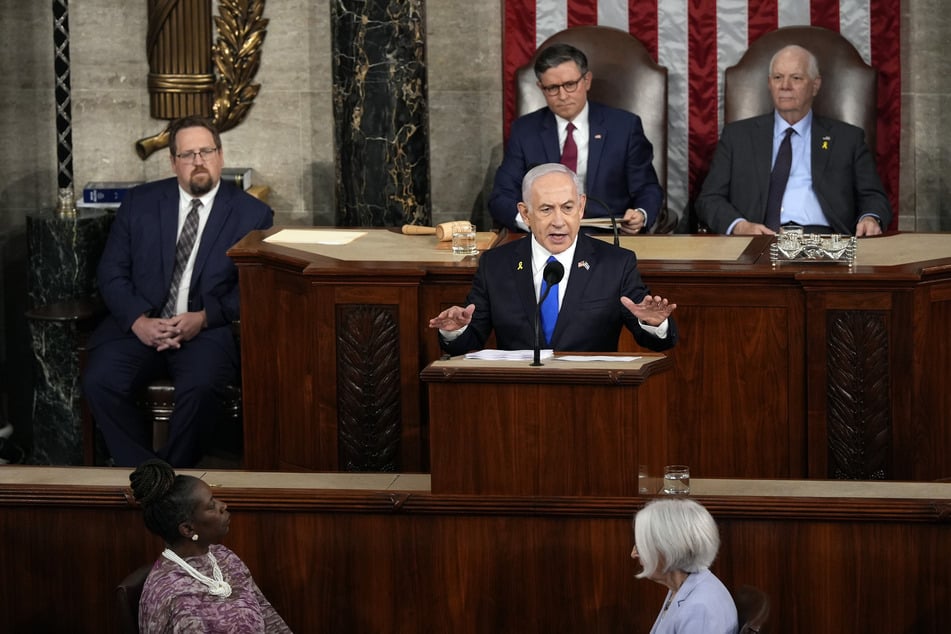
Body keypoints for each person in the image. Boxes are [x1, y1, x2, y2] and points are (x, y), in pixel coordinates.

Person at [82, 116, 273, 467]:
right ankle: (147, 474)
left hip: (204, 331)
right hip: (141, 326)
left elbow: (254, 289)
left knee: (202, 388)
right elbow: (111, 272)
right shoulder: (140, 202)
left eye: (206, 151)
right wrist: (139, 320)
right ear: (173, 162)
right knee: (100, 381)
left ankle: (172, 473)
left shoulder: (252, 215)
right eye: (188, 155)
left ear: (220, 155)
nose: (199, 161)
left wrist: (203, 318)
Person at [430, 163, 677, 356]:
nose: (559, 221)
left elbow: (654, 341)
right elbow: (470, 338)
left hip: (592, 399)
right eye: (546, 209)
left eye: (568, 208)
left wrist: (654, 325)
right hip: (517, 400)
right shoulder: (496, 265)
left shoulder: (615, 264)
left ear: (581, 207)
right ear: (525, 214)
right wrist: (455, 331)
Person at [696, 44, 892, 236]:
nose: (785, 86)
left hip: (825, 242)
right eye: (778, 77)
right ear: (769, 83)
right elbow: (709, 199)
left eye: (796, 78)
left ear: (815, 85)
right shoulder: (737, 136)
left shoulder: (847, 138)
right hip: (757, 240)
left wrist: (870, 218)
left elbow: (873, 197)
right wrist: (740, 226)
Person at [489, 43, 663, 234]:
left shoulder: (624, 127)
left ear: (587, 80)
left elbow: (647, 188)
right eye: (552, 88)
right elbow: (501, 196)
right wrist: (526, 222)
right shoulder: (525, 131)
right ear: (541, 88)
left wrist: (640, 214)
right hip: (544, 235)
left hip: (608, 235)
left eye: (570, 85)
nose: (562, 96)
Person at [130, 459, 292, 632]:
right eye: (211, 505)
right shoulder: (169, 594)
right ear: (188, 529)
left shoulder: (226, 558)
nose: (223, 506)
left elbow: (269, 619)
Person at [632, 498, 738, 634]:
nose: (634, 553)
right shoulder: (684, 586)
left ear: (668, 549)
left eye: (642, 545)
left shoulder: (698, 610)